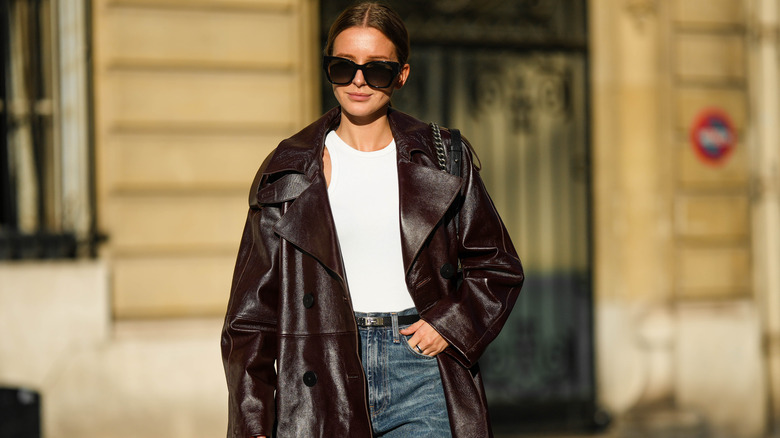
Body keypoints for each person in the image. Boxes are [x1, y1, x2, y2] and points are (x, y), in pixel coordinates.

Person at [221, 2, 524, 437]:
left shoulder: (443, 157)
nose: (358, 80)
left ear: (401, 74)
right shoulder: (288, 168)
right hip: (320, 377)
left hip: (419, 371)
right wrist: (253, 425)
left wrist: (451, 325)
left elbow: (497, 266)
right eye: (343, 67)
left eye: (376, 69)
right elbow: (249, 318)